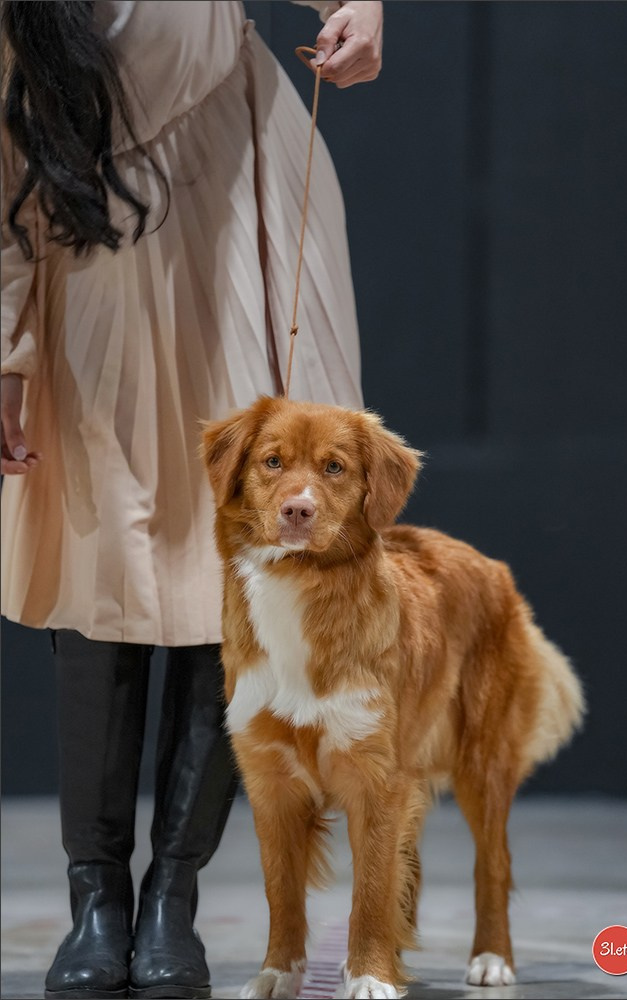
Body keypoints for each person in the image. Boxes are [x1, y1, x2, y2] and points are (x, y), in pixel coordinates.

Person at [0, 1, 383, 997]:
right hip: (85, 240)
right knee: (103, 562)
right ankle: (99, 899)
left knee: (251, 554)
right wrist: (5, 348)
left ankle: (173, 894)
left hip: (242, 202)